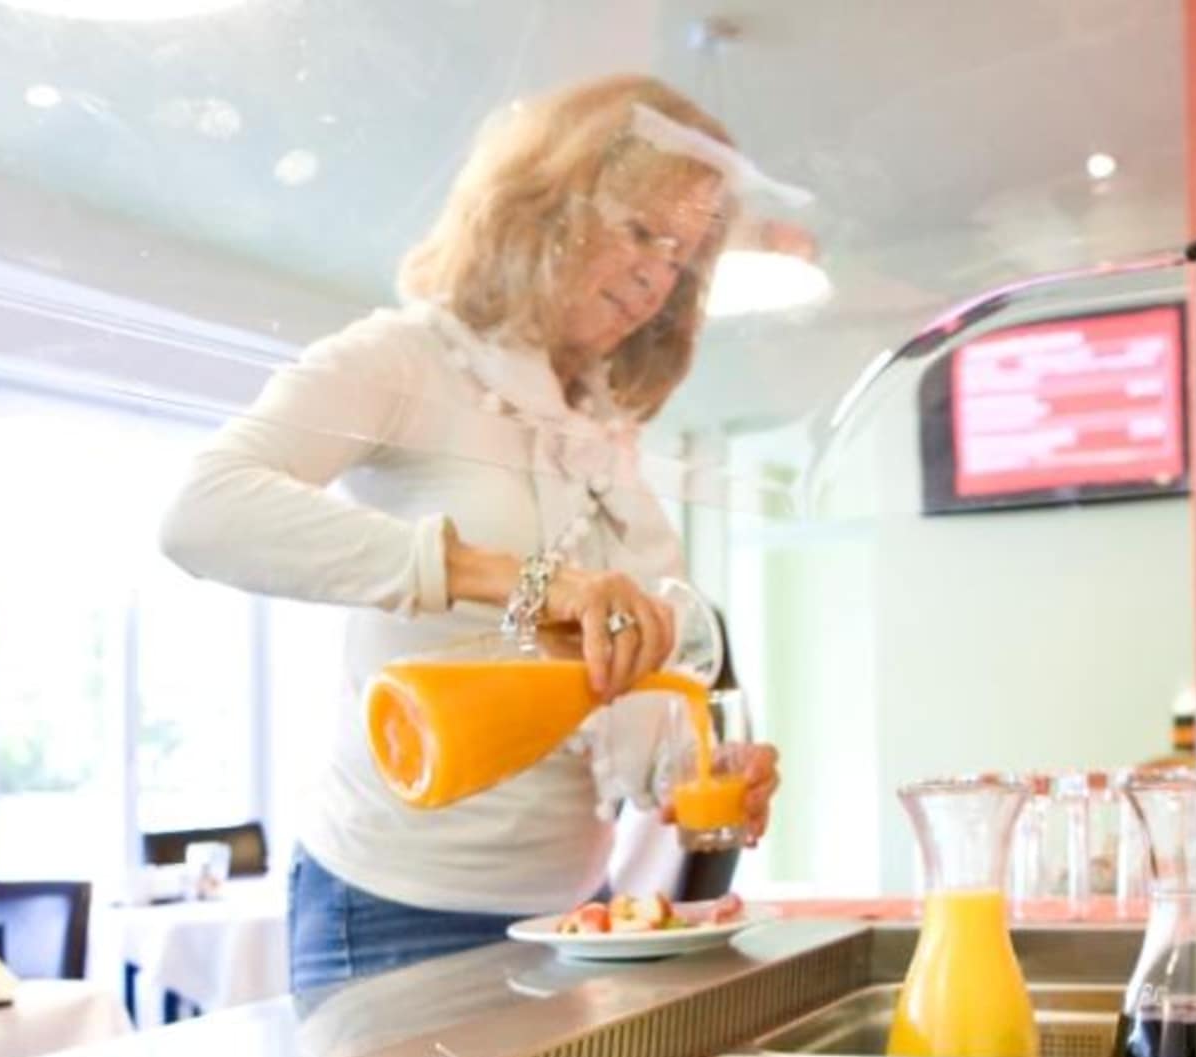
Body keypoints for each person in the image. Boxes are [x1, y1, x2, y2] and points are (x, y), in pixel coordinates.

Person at [161, 74, 780, 990]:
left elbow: (607, 691)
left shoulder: (598, 427)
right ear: (548, 206)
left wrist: (699, 764)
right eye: (640, 232)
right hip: (390, 905)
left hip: (576, 903)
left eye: (681, 256)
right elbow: (202, 513)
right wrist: (518, 580)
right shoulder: (405, 360)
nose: (657, 275)